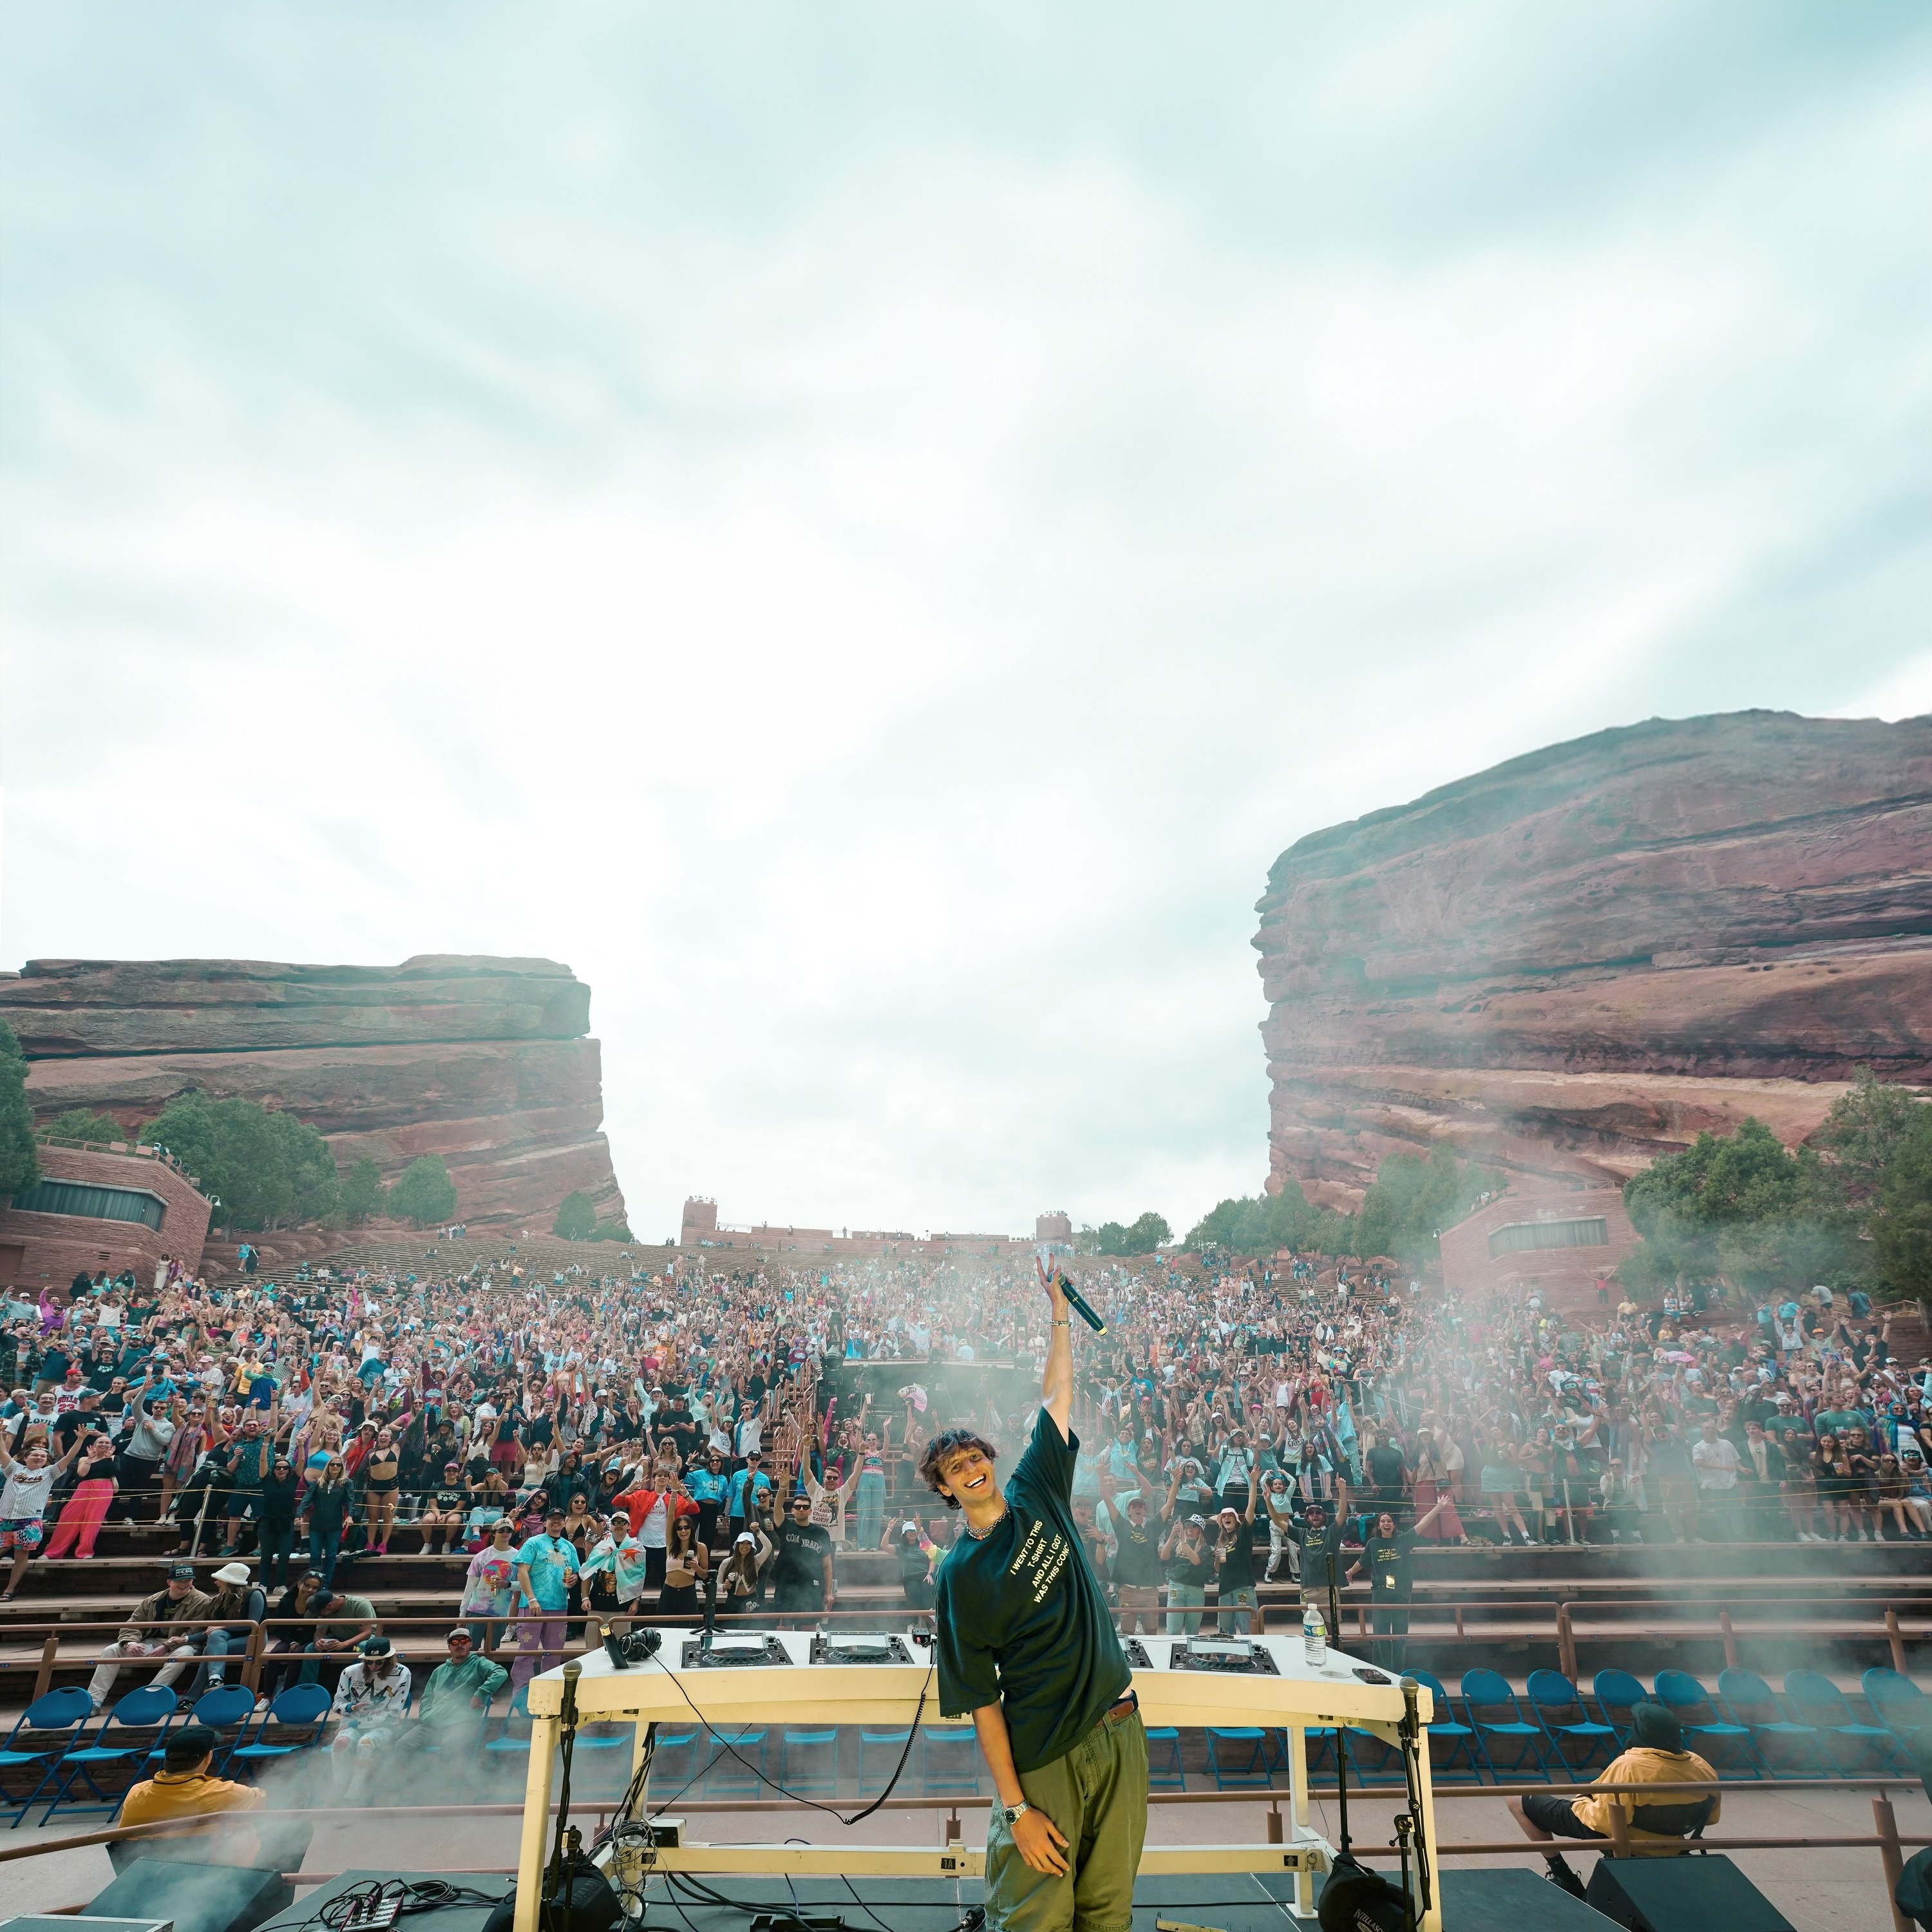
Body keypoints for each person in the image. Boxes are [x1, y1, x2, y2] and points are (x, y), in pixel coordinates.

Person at [925, 1262, 1146, 1932]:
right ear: (945, 1491)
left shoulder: (1036, 1489)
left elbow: (1057, 1392)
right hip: (1045, 1749)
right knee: (1035, 1916)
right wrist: (1016, 1809)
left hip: (1118, 1726)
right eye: (954, 1468)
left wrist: (1058, 1309)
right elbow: (980, 1700)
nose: (969, 1467)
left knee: (1108, 1912)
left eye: (973, 1455)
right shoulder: (960, 1575)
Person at [1509, 1700, 1720, 1899]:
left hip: (1621, 1841)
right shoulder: (1701, 1766)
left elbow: (1603, 1821)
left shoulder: (1629, 1765)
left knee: (1516, 1800)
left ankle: (1562, 1875)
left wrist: (1581, 1801)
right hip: (1671, 1845)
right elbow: (1711, 1817)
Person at [118, 1723, 267, 1866]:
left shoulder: (135, 1792)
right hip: (208, 1881)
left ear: (167, 1758)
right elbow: (263, 1799)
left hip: (143, 1879)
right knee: (256, 1829)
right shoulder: (225, 1793)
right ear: (208, 1757)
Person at [88, 1563, 215, 1710]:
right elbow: (133, 1624)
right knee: (111, 1650)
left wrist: (167, 1646)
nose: (185, 1584)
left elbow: (195, 1631)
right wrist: (130, 1643)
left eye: (189, 1580)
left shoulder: (202, 1601)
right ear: (169, 1582)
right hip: (153, 1641)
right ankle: (94, 1702)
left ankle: (148, 1697)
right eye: (180, 1581)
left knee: (181, 1656)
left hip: (183, 1643)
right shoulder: (154, 1600)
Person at [1344, 1499, 1446, 1671]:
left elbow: (1422, 1524)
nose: (1386, 1523)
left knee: (1400, 1635)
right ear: (1378, 1525)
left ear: (1394, 1525)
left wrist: (1438, 1507)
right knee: (1381, 1635)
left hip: (1402, 1592)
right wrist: (1350, 1572)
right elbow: (1363, 1561)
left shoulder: (1403, 1540)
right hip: (1381, 1593)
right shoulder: (1373, 1543)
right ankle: (1382, 1670)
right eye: (1383, 1521)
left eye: (1389, 1521)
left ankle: (1398, 1671)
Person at [0, 1425, 87, 1598]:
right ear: (26, 1458)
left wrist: (81, 1439)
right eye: (35, 1455)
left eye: (43, 1455)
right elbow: (3, 1451)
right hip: (5, 1518)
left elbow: (69, 1457)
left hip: (29, 1520)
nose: (39, 1457)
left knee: (21, 1555)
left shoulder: (49, 1473)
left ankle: (10, 1590)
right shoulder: (13, 1469)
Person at [406, 1627, 509, 1769]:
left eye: (464, 1641)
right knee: (403, 1744)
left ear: (470, 1644)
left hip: (462, 1722)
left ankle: (449, 1784)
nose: (460, 1645)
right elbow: (427, 1697)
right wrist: (425, 1716)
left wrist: (481, 1693)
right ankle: (408, 1783)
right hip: (433, 1722)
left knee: (451, 1746)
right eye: (454, 1642)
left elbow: (500, 1673)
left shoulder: (479, 1664)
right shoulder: (440, 1670)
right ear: (449, 1647)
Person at [329, 1636, 412, 1793]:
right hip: (351, 1723)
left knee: (365, 1743)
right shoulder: (349, 1673)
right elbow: (338, 1704)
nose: (373, 1666)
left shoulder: (403, 1673)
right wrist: (352, 1708)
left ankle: (354, 1793)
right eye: (369, 1661)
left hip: (384, 1726)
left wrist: (354, 1723)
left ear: (388, 1659)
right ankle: (339, 1788)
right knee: (341, 1742)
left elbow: (393, 1714)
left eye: (379, 1662)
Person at [513, 1506, 579, 1687]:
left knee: (554, 1652)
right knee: (527, 1651)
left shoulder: (569, 1547)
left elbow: (575, 1572)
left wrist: (573, 1578)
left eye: (560, 1518)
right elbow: (522, 1572)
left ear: (565, 1522)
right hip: (533, 1605)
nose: (556, 1522)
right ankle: (522, 1692)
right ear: (545, 1522)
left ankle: (549, 1688)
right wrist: (532, 1599)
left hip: (559, 1606)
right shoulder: (533, 1543)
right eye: (552, 1518)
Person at [188, 1560, 267, 1698]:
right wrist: (185, 1639)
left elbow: (252, 1625)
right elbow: (211, 1631)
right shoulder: (220, 1599)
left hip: (253, 1639)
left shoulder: (255, 1594)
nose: (216, 1582)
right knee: (216, 1637)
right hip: (224, 1640)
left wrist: (223, 1626)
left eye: (220, 1579)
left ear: (229, 1581)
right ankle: (215, 1679)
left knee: (210, 1650)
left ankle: (192, 1697)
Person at [770, 1490, 835, 1622]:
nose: (801, 1510)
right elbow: (777, 1509)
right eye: (798, 1507)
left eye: (805, 1507)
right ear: (793, 1510)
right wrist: (782, 1488)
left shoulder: (821, 1533)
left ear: (810, 1511)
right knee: (784, 1627)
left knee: (808, 1629)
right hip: (786, 1584)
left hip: (811, 1587)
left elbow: (827, 1565)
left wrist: (828, 1593)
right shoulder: (786, 1527)